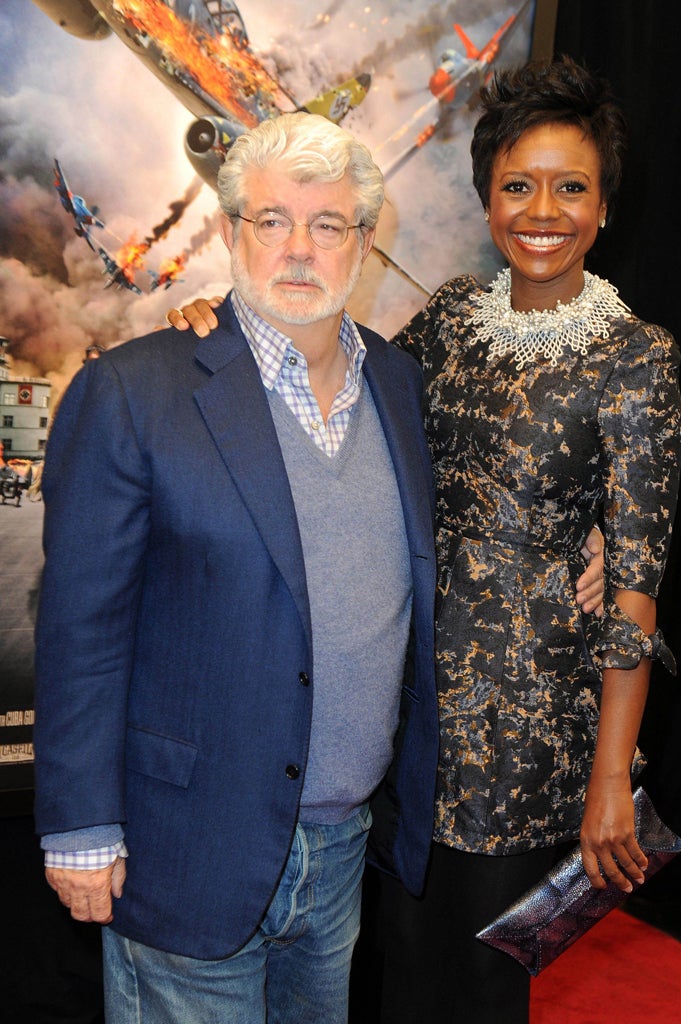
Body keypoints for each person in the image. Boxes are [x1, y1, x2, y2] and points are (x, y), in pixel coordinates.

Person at [168, 54, 681, 1024]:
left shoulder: (637, 358)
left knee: (482, 991)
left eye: (572, 186)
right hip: (406, 729)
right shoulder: (449, 321)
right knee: (390, 982)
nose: (544, 208)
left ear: (605, 206)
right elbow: (338, 403)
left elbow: (635, 598)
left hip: (528, 752)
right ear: (489, 198)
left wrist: (611, 780)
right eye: (517, 184)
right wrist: (226, 333)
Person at [34, 112, 442, 1024]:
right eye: (271, 220)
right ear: (230, 232)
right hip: (186, 847)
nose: (299, 248)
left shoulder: (400, 386)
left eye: (328, 224)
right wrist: (80, 826)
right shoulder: (135, 391)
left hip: (342, 855)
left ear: (364, 244)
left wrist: (591, 539)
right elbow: (80, 630)